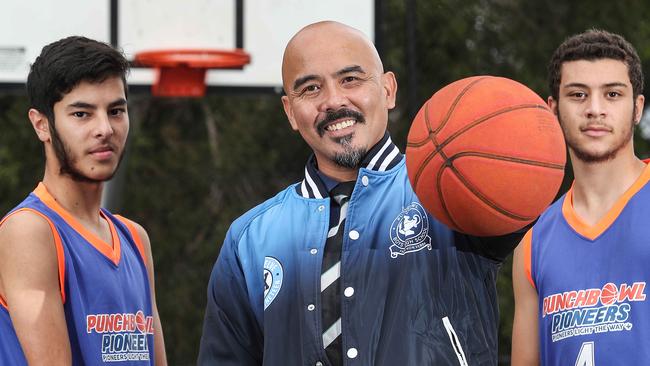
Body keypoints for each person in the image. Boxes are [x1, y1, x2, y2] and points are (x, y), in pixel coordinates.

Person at [198, 21, 523, 365]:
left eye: (350, 79)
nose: (334, 101)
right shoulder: (249, 239)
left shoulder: (452, 192)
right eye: (310, 88)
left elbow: (520, 195)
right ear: (290, 112)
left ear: (388, 90)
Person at [0, 36, 167, 365]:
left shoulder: (135, 238)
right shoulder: (30, 232)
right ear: (42, 125)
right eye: (82, 114)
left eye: (116, 111)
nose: (105, 128)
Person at [511, 30, 649, 365]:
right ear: (553, 109)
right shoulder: (533, 243)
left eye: (613, 94)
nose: (595, 109)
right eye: (578, 95)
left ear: (637, 108)